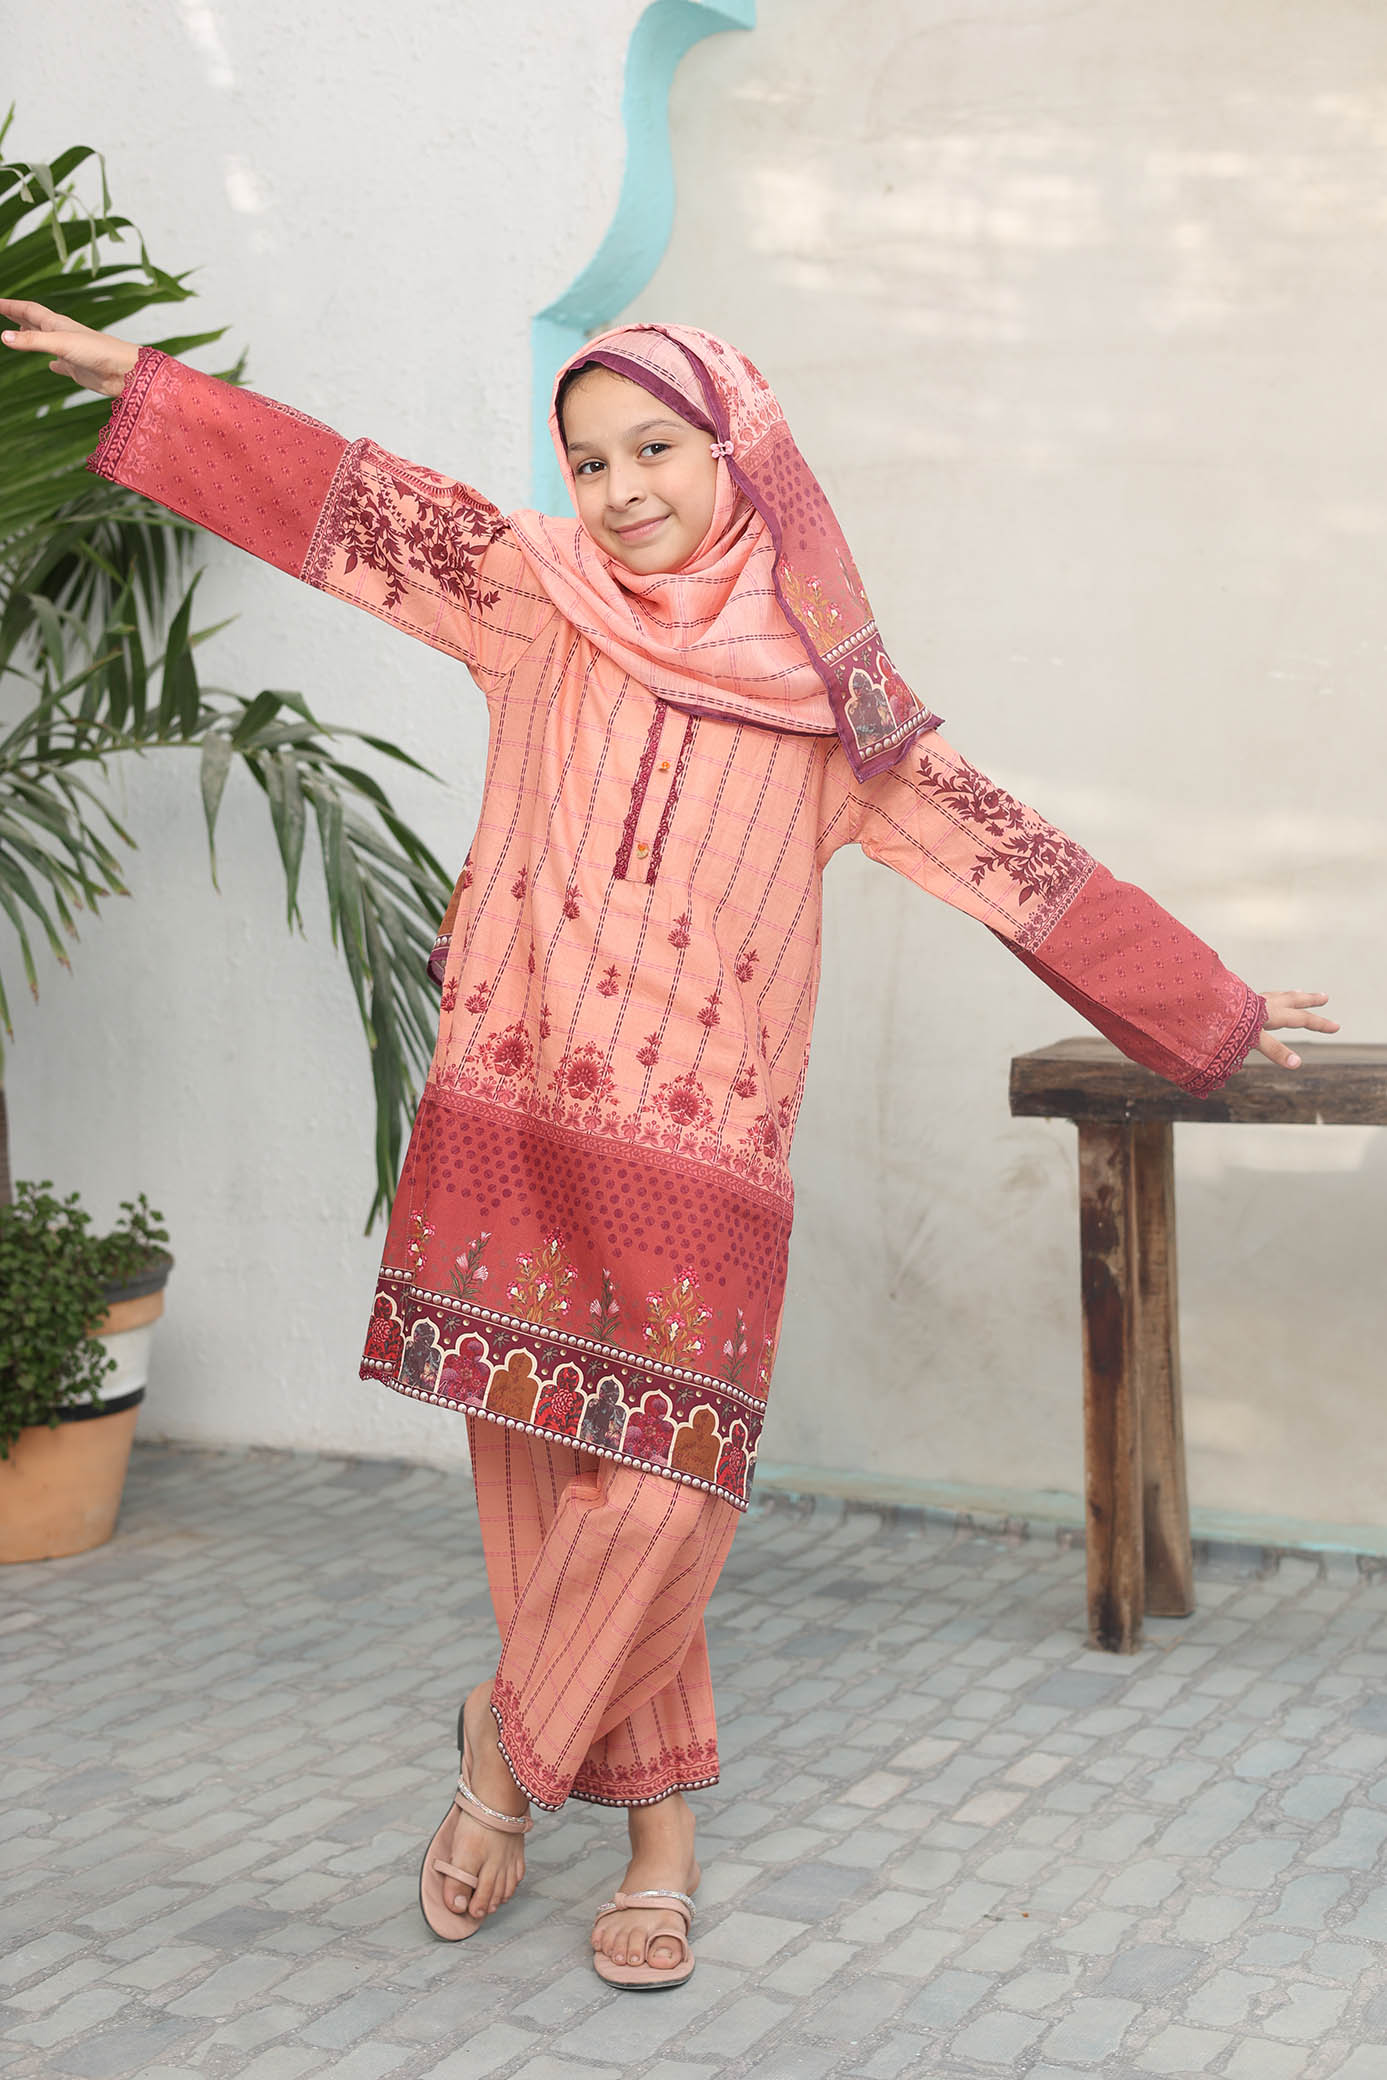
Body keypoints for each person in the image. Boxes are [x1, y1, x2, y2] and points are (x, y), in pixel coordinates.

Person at [1, 300, 1337, 1990]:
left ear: (742, 456)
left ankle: (505, 1752)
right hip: (515, 1090)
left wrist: (1205, 1000)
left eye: (656, 450)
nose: (620, 491)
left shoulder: (839, 712)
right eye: (588, 459)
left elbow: (1017, 865)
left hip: (704, 1142)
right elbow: (353, 506)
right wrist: (160, 397)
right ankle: (659, 1842)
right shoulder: (532, 597)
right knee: (539, 1473)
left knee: (666, 1483)